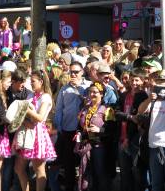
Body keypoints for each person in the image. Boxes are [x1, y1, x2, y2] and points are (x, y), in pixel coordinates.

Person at [14, 70, 56, 191]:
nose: (31, 83)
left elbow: (40, 117)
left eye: (33, 81)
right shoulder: (31, 95)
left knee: (39, 170)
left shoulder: (46, 97)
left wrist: (26, 110)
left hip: (37, 134)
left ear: (41, 82)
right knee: (18, 168)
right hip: (26, 131)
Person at [54, 61, 90, 191]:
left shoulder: (88, 87)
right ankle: (69, 186)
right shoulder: (64, 89)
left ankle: (83, 186)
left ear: (82, 72)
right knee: (68, 161)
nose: (73, 74)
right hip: (68, 129)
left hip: (84, 130)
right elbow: (58, 110)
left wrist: (78, 91)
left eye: (76, 72)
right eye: (71, 72)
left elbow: (90, 104)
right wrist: (59, 128)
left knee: (84, 160)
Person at [74, 82, 115, 191]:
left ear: (101, 94)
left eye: (95, 92)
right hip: (86, 145)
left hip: (99, 146)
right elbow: (79, 126)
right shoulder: (85, 109)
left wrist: (100, 130)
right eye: (90, 92)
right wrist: (79, 132)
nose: (92, 94)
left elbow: (113, 130)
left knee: (99, 174)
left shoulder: (107, 109)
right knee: (87, 173)